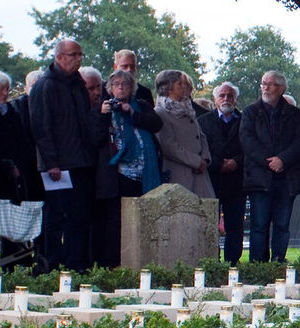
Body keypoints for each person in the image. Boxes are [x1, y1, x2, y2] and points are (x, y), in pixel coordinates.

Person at [28, 39, 101, 270]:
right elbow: (41, 127)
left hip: (81, 161)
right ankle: (52, 263)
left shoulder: (77, 84)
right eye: (74, 54)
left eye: (81, 54)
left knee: (80, 217)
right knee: (57, 217)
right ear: (60, 57)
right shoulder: (46, 85)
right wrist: (51, 162)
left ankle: (75, 264)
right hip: (58, 165)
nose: (79, 58)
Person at [92, 69, 163, 263]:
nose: (121, 87)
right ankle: (116, 262)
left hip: (145, 171)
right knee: (118, 220)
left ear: (132, 88)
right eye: (116, 84)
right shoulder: (101, 108)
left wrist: (132, 113)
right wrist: (104, 115)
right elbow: (96, 139)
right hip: (118, 173)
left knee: (143, 218)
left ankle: (143, 260)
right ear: (110, 88)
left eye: (125, 84)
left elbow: (157, 124)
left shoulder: (140, 105)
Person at [0, 69, 43, 255]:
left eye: (7, 89)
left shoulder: (11, 111)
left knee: (12, 223)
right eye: (1, 90)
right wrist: (5, 165)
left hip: (14, 177)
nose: (5, 94)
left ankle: (14, 259)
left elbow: (21, 141)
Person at [241, 70, 300, 262]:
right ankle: (257, 265)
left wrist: (283, 160)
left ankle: (278, 261)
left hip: (286, 177)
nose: (266, 87)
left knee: (282, 224)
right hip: (259, 177)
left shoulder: (295, 114)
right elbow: (247, 140)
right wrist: (268, 161)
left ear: (282, 88)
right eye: (263, 83)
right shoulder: (250, 112)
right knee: (259, 225)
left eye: (271, 84)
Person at [199, 81, 245, 260]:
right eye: (222, 95)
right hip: (212, 179)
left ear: (236, 99)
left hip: (237, 182)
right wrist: (219, 164)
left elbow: (250, 146)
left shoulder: (245, 121)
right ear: (215, 99)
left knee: (235, 226)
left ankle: (232, 263)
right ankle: (212, 260)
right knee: (210, 223)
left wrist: (236, 162)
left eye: (230, 96)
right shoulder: (203, 121)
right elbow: (202, 147)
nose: (226, 99)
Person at [153, 69, 214, 198]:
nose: (185, 87)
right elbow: (168, 146)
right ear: (168, 87)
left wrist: (205, 158)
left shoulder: (188, 109)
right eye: (179, 84)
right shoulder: (160, 112)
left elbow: (201, 135)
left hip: (200, 174)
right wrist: (196, 161)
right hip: (179, 175)